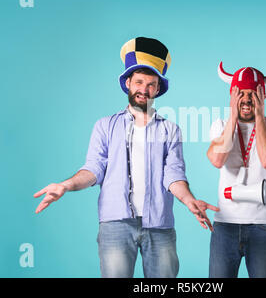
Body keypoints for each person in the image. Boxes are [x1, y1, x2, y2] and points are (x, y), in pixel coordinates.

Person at [34, 37, 219, 278]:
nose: (144, 89)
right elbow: (93, 169)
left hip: (160, 226)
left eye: (151, 84)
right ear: (128, 83)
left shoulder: (170, 130)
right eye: (139, 82)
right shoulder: (105, 126)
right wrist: (65, 186)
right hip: (115, 225)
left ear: (158, 89)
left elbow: (173, 175)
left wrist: (189, 200)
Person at [207, 63, 266, 278]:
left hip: (264, 226)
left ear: (263, 96)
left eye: (253, 93)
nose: (247, 99)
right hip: (225, 227)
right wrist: (233, 116)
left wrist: (259, 116)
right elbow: (217, 159)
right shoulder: (220, 125)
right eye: (240, 93)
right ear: (232, 95)